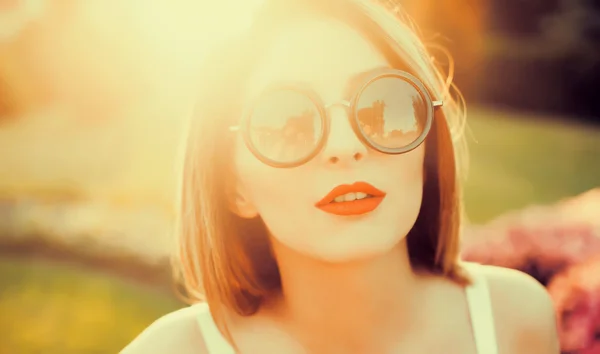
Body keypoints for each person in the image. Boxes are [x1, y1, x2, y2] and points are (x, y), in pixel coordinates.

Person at [123, 0, 560, 352]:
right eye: (288, 120)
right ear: (234, 186)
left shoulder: (515, 320)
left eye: (384, 103)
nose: (344, 145)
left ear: (425, 144)